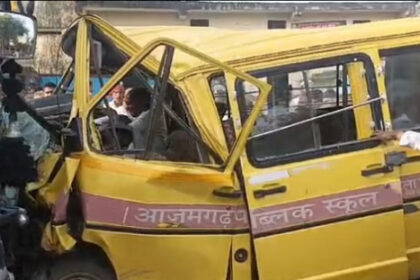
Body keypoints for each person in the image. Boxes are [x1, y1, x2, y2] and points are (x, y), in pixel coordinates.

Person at [121, 87, 166, 154]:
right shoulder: (149, 114)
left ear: (140, 102)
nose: (127, 107)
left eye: (129, 103)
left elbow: (130, 129)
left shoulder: (150, 115)